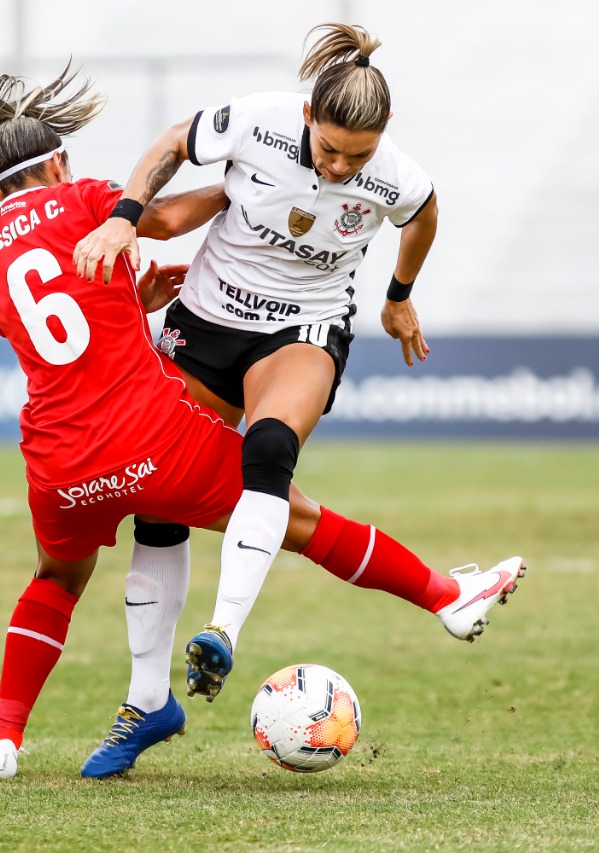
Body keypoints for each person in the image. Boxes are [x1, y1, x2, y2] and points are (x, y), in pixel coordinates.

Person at [0, 64, 525, 781]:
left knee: (59, 577)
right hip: (152, 430)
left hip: (58, 461)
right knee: (291, 513)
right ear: (61, 163)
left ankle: (10, 737)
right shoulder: (87, 199)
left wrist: (135, 299)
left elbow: (59, 329)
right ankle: (444, 594)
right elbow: (157, 215)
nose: (341, 166)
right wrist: (236, 189)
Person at [72, 24, 448, 695]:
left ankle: (222, 631)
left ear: (383, 132)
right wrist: (127, 215)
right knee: (161, 499)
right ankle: (148, 699)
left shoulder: (395, 173)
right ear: (307, 115)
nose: (338, 168)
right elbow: (172, 145)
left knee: (269, 447)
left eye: (355, 158)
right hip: (208, 317)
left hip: (304, 326)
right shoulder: (256, 120)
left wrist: (398, 296)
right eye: (330, 149)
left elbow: (422, 213)